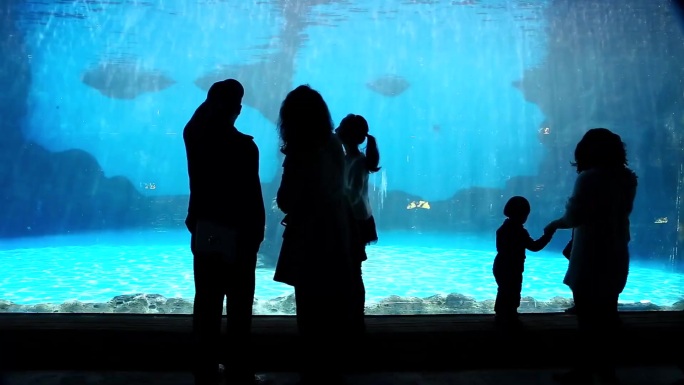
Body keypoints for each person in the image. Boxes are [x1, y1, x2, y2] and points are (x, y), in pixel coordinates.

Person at [183, 79, 266, 385]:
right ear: (239, 109)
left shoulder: (195, 137)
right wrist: (258, 232)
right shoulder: (245, 146)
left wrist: (215, 100)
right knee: (240, 303)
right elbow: (252, 196)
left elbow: (196, 120)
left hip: (206, 229)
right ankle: (239, 369)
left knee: (206, 299)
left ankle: (203, 367)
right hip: (240, 233)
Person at [273, 85, 354, 385]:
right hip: (335, 232)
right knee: (330, 306)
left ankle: (313, 372)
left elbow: (286, 199)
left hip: (308, 238)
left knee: (309, 308)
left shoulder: (301, 150)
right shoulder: (333, 144)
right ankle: (331, 369)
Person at [545, 128, 638, 385]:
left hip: (591, 255)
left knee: (587, 320)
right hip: (617, 252)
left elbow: (575, 216)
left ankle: (584, 372)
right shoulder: (627, 178)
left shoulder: (589, 178)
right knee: (608, 313)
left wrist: (554, 224)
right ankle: (608, 372)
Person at [335, 113, 381, 335]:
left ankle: (355, 320)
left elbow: (351, 194)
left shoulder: (356, 162)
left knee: (353, 270)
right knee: (351, 269)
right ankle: (352, 318)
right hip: (357, 218)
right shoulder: (351, 160)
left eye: (340, 128)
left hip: (354, 221)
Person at [493, 196, 554, 329]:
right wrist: (548, 235)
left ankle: (501, 316)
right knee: (513, 291)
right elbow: (535, 247)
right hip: (512, 267)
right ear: (523, 215)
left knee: (503, 290)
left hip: (500, 264)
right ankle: (510, 318)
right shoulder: (519, 231)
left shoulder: (502, 229)